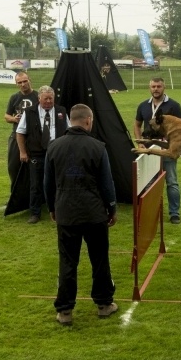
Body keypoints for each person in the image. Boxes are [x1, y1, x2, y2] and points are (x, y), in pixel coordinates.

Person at [44, 104, 118, 326]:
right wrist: (112, 208)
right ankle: (104, 304)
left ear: (70, 120)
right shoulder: (98, 147)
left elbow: (48, 183)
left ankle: (65, 310)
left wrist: (52, 208)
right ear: (88, 121)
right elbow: (107, 183)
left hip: (66, 213)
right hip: (94, 214)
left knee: (67, 261)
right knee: (99, 260)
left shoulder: (54, 146)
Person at [134, 77, 181, 224]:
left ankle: (174, 213)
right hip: (148, 148)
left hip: (167, 148)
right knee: (148, 183)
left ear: (164, 87)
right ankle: (150, 213)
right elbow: (137, 124)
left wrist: (175, 146)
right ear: (149, 88)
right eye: (153, 86)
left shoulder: (174, 105)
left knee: (172, 182)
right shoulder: (143, 105)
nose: (156, 89)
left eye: (158, 86)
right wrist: (140, 143)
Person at [15, 85, 68, 223]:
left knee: (58, 183)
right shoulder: (29, 112)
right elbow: (20, 132)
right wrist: (22, 152)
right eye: (46, 99)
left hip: (57, 154)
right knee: (36, 185)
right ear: (39, 98)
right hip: (37, 154)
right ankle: (35, 213)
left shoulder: (61, 111)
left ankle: (59, 211)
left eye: (51, 98)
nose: (49, 101)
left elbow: (69, 131)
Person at [4, 71, 38, 186]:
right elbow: (7, 116)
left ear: (30, 80)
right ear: (16, 84)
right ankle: (15, 193)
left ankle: (34, 194)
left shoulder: (37, 96)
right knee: (13, 167)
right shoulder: (14, 97)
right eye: (19, 82)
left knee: (34, 168)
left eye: (25, 81)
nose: (23, 84)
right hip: (17, 136)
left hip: (34, 137)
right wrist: (14, 119)